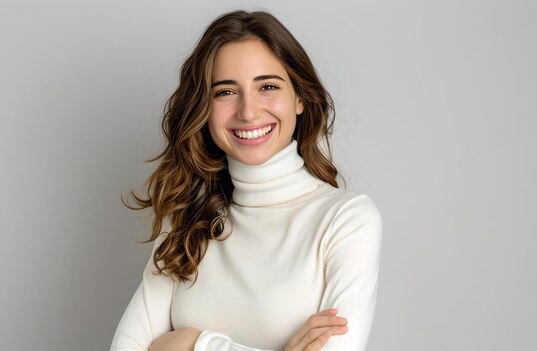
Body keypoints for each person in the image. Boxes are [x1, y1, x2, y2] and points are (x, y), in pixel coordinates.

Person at [110, 10, 382, 351]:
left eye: (267, 86)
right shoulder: (185, 221)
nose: (249, 112)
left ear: (299, 98)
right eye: (225, 92)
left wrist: (196, 344)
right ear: (204, 107)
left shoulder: (347, 219)